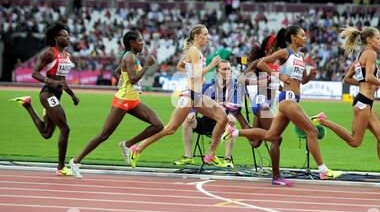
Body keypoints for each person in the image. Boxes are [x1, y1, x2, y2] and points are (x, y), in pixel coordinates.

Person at [223, 25, 342, 186]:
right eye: (302, 35)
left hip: (283, 99)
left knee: (269, 137)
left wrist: (311, 76)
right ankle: (323, 171)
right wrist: (276, 77)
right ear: (292, 38)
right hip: (273, 101)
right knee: (310, 131)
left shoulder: (299, 57)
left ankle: (235, 131)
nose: (305, 38)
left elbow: (301, 81)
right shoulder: (282, 54)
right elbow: (254, 71)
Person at [312, 26, 380, 189]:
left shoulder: (360, 57)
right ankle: (322, 121)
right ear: (369, 40)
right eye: (378, 38)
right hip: (363, 102)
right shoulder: (371, 53)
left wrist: (367, 83)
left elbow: (347, 79)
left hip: (365, 102)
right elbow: (370, 76)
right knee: (354, 141)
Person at [129, 24, 228, 167]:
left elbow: (180, 67)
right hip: (190, 96)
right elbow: (195, 75)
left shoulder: (193, 51)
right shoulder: (194, 52)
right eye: (205, 35)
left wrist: (194, 75)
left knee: (223, 118)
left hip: (197, 96)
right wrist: (212, 65)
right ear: (196, 36)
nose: (208, 38)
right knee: (170, 129)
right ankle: (137, 149)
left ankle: (211, 155)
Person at [69, 30, 164, 178]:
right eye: (140, 40)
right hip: (123, 100)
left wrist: (122, 82)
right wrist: (147, 65)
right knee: (104, 135)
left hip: (133, 100)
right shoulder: (130, 57)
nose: (142, 43)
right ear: (132, 43)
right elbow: (133, 79)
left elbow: (116, 72)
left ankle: (127, 145)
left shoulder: (132, 56)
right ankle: (75, 161)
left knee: (158, 125)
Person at [9, 22, 79, 176]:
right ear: (56, 38)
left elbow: (62, 80)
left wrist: (72, 95)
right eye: (64, 36)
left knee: (46, 133)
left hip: (56, 96)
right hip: (47, 94)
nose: (68, 39)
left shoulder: (67, 56)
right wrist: (50, 81)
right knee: (65, 128)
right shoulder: (49, 53)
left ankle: (27, 105)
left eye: (69, 36)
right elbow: (34, 73)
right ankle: (61, 167)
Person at [175, 59, 247, 168]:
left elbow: (236, 106)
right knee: (187, 121)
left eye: (229, 69)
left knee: (232, 124)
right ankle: (188, 157)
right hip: (208, 120)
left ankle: (227, 159)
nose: (227, 71)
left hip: (225, 121)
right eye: (224, 69)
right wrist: (193, 112)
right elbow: (195, 100)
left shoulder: (237, 87)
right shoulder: (208, 85)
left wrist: (231, 114)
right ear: (217, 71)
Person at [242, 31, 285, 184]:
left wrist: (281, 87)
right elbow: (242, 80)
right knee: (276, 137)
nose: (279, 49)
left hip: (268, 103)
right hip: (260, 102)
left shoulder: (277, 63)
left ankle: (237, 117)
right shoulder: (260, 62)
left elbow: (274, 84)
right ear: (269, 48)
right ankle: (276, 176)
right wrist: (260, 83)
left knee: (255, 142)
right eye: (275, 47)